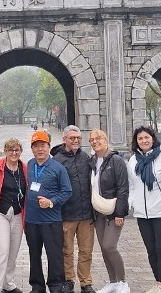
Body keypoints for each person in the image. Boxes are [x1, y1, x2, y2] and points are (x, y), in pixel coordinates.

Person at [127, 125, 161, 293]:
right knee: (151, 250)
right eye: (140, 138)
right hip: (142, 213)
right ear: (136, 142)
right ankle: (157, 282)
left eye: (146, 137)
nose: (144, 141)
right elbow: (132, 185)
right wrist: (132, 202)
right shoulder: (133, 161)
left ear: (153, 139)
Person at [25, 130, 73, 293]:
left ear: (48, 147)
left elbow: (67, 191)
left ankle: (55, 285)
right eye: (36, 146)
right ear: (32, 149)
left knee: (54, 255)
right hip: (31, 220)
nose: (40, 149)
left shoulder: (58, 168)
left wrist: (51, 202)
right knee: (34, 255)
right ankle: (37, 286)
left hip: (51, 220)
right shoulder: (29, 165)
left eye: (43, 146)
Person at [52, 125, 96, 293]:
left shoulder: (86, 158)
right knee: (67, 251)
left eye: (78, 138)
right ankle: (68, 280)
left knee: (86, 251)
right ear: (64, 139)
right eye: (72, 138)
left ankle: (86, 282)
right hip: (66, 214)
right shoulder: (56, 161)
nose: (76, 140)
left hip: (86, 214)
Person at [88, 129, 130, 293]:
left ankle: (123, 282)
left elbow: (123, 188)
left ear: (105, 139)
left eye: (98, 138)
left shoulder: (116, 160)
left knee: (110, 245)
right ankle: (113, 281)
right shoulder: (92, 161)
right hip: (98, 211)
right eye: (92, 140)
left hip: (113, 210)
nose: (95, 142)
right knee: (103, 248)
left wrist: (120, 213)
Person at [0, 138, 28, 293]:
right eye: (11, 150)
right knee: (2, 250)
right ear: (5, 151)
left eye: (17, 150)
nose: (14, 153)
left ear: (21, 151)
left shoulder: (24, 168)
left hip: (17, 213)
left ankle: (7, 283)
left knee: (13, 252)